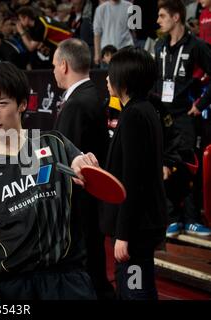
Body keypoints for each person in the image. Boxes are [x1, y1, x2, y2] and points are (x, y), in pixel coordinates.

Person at [0, 61, 98, 300]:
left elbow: (82, 166)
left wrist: (84, 164)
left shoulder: (54, 143)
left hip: (69, 283)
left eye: (2, 103)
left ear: (22, 104)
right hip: (15, 288)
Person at [101, 47, 167, 300]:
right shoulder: (143, 109)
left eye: (110, 73)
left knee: (136, 292)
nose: (107, 79)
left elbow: (133, 181)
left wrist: (123, 235)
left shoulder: (135, 116)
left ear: (124, 80)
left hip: (137, 229)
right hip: (142, 224)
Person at [52, 38, 112, 299]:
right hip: (90, 201)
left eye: (54, 65)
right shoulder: (90, 93)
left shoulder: (77, 103)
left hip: (80, 202)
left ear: (64, 65)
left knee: (89, 268)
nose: (53, 70)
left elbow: (66, 156)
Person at [155, 0, 211, 236]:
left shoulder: (196, 46)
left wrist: (201, 104)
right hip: (164, 116)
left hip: (186, 115)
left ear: (176, 17)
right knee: (166, 165)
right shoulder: (159, 46)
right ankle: (171, 218)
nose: (158, 20)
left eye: (162, 16)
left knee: (189, 164)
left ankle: (190, 218)